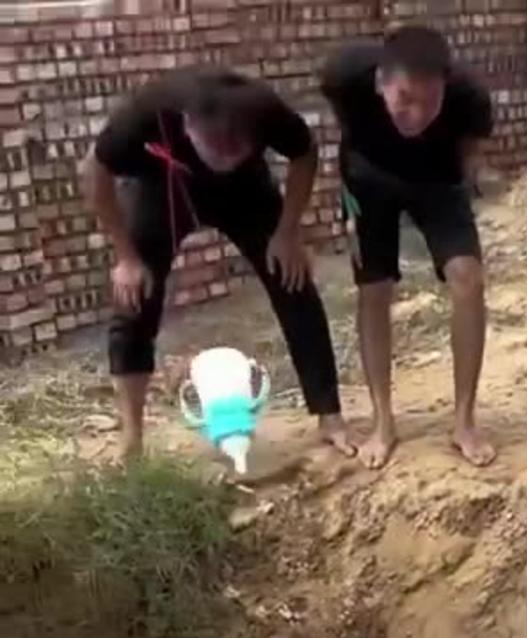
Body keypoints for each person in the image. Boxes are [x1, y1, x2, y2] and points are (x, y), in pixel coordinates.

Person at [84, 68, 354, 463]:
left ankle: (330, 417)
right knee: (134, 301)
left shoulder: (263, 108)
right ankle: (132, 437)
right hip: (165, 189)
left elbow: (303, 152)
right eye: (215, 146)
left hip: (246, 193)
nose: (224, 156)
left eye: (236, 146)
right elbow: (95, 169)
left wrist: (287, 232)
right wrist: (126, 257)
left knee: (294, 283)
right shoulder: (148, 111)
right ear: (188, 126)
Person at [321, 23, 496, 470]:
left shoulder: (470, 97)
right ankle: (384, 421)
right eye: (404, 100)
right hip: (368, 178)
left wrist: (467, 182)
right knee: (373, 288)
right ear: (381, 83)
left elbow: (471, 151)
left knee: (468, 278)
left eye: (429, 102)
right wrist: (347, 205)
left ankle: (464, 421)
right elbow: (345, 134)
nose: (416, 115)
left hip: (437, 180)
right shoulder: (343, 76)